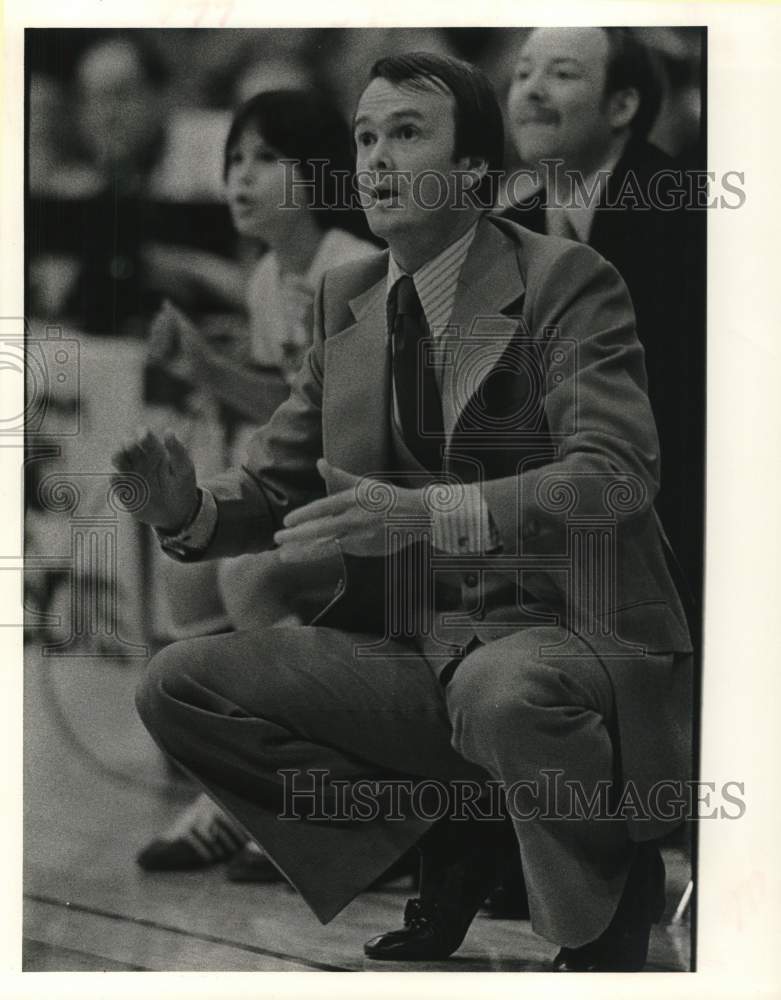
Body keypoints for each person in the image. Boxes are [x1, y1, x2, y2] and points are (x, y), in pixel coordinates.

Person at [112, 52, 693, 971]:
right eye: (366, 137)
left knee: (495, 689)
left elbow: (615, 475)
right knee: (178, 683)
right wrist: (186, 509)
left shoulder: (567, 280)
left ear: (474, 175)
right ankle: (436, 835)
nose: (376, 159)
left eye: (407, 134)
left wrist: (431, 517)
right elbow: (274, 485)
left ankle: (607, 896)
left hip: (573, 634)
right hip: (423, 652)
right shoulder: (351, 299)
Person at [137, 90, 378, 878]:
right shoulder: (268, 277)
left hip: (379, 499)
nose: (240, 177)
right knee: (186, 579)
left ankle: (317, 799)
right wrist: (203, 369)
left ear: (315, 174)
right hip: (315, 494)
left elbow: (342, 425)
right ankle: (239, 788)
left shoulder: (351, 266)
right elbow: (285, 409)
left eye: (264, 158)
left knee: (247, 574)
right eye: (233, 159)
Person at [502, 26, 705, 603]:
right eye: (522, 74)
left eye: (561, 74)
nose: (532, 91)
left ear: (623, 105)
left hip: (668, 534)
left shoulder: (686, 216)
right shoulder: (507, 228)